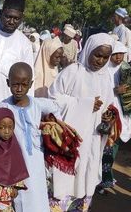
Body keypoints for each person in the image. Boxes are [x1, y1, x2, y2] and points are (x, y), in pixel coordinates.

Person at [48, 33, 115, 211]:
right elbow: (53, 98)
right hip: (71, 139)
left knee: (87, 173)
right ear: (88, 51)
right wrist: (85, 105)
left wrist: (108, 116)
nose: (100, 61)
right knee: (66, 179)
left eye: (105, 57)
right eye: (97, 55)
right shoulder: (73, 72)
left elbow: (109, 106)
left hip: (93, 139)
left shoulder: (106, 77)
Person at [0, 62, 60, 212]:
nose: (19, 89)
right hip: (16, 164)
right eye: (15, 84)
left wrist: (49, 123)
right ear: (8, 83)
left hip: (36, 162)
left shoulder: (38, 104)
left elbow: (57, 108)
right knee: (20, 199)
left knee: (38, 197)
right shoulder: (3, 107)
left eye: (24, 85)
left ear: (31, 84)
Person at [0, 0, 34, 125]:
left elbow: (28, 82)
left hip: (6, 107)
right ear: (0, 13)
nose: (11, 21)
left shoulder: (24, 44)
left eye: (16, 19)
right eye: (8, 16)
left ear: (22, 18)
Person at [96, 41, 130, 194]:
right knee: (103, 147)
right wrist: (115, 90)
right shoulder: (103, 70)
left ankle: (105, 178)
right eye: (115, 54)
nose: (118, 58)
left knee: (113, 147)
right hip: (107, 115)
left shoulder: (125, 71)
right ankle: (99, 179)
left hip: (121, 116)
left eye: (121, 55)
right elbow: (100, 90)